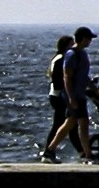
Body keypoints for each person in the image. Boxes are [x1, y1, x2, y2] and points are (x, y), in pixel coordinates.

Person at [37, 32, 93, 162]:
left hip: (64, 94)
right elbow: (61, 79)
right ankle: (52, 151)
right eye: (70, 43)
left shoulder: (64, 57)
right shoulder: (63, 58)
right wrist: (69, 94)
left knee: (70, 124)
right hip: (60, 96)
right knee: (65, 124)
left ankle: (81, 152)